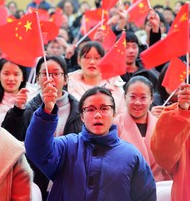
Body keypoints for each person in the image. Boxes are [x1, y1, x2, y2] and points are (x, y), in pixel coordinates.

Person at [25, 85, 156, 200]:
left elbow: (145, 196)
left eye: (104, 108)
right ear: (82, 116)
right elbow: (37, 149)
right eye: (91, 109)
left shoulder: (131, 155)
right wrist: (47, 112)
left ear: (114, 114)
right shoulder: (67, 146)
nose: (98, 115)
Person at [2, 56, 82, 200]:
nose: (49, 79)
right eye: (44, 74)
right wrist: (17, 112)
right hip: (36, 180)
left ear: (66, 78)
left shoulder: (79, 110)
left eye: (56, 74)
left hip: (70, 180)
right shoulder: (27, 108)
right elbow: (9, 142)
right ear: (37, 78)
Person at [114, 76, 170, 181]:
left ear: (152, 99)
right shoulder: (115, 125)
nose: (137, 103)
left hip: (157, 187)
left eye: (143, 97)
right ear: (125, 97)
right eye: (133, 97)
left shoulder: (161, 125)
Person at [68, 41, 126, 115]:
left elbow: (122, 116)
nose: (92, 62)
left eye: (97, 58)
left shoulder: (115, 84)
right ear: (79, 60)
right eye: (87, 57)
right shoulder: (69, 84)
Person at [0, 59, 28, 126]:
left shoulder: (31, 100)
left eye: (16, 74)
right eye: (6, 74)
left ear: (22, 77)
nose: (11, 78)